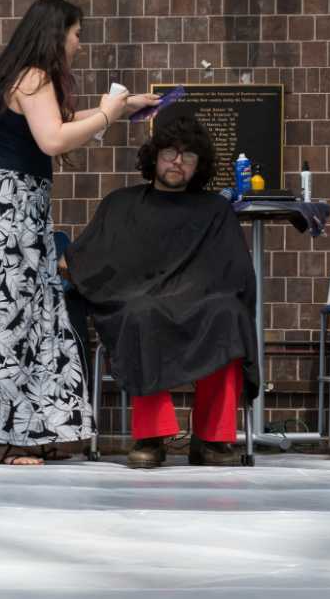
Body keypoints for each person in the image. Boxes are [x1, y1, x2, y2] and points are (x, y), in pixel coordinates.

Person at [0, 0, 158, 465]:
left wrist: (122, 109)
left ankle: (12, 432)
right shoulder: (34, 75)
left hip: (8, 207)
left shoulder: (22, 76)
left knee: (13, 315)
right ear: (56, 33)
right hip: (7, 210)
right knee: (7, 315)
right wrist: (108, 113)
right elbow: (53, 138)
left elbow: (59, 124)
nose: (79, 45)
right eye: (76, 34)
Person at [66, 115, 254, 468]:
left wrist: (193, 293)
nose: (178, 162)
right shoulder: (121, 204)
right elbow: (87, 258)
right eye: (170, 152)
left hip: (199, 302)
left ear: (200, 165)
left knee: (229, 314)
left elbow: (235, 271)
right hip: (141, 303)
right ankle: (151, 437)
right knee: (140, 313)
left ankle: (212, 439)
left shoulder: (214, 209)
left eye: (189, 156)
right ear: (154, 156)